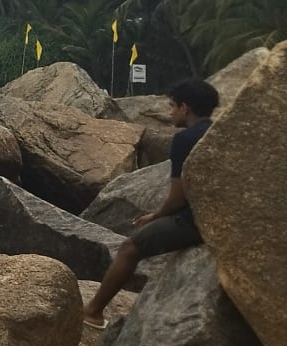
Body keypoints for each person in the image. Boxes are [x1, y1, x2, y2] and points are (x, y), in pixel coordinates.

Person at [81, 78, 219, 329]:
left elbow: (177, 198)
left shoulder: (185, 139)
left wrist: (155, 216)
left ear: (185, 108)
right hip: (218, 216)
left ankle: (93, 312)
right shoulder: (218, 132)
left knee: (129, 249)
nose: (170, 112)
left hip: (195, 221)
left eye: (173, 106)